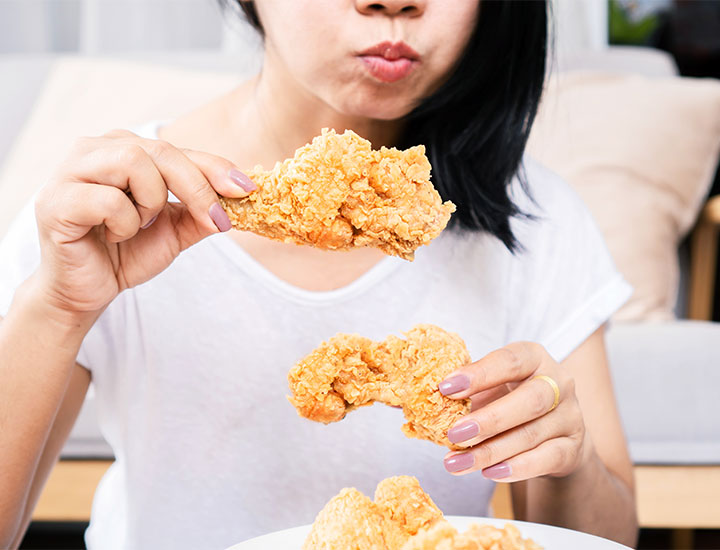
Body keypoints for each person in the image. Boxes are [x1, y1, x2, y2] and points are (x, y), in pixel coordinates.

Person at [0, 1, 638, 548]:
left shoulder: (537, 219)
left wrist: (568, 459)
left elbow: (609, 539)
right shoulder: (106, 210)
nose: (395, 1)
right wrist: (56, 309)